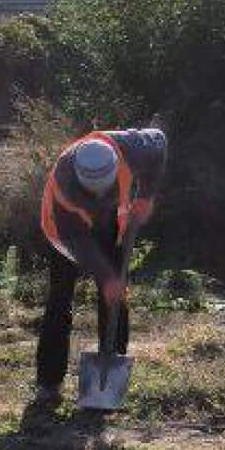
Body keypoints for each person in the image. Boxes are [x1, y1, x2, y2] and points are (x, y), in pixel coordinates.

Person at [34, 124, 168, 406]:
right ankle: (49, 383)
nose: (99, 197)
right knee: (60, 299)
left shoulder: (130, 147)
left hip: (110, 225)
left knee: (116, 299)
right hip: (65, 233)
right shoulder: (65, 187)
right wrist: (107, 277)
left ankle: (112, 364)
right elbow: (80, 244)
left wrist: (146, 195)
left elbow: (159, 145)